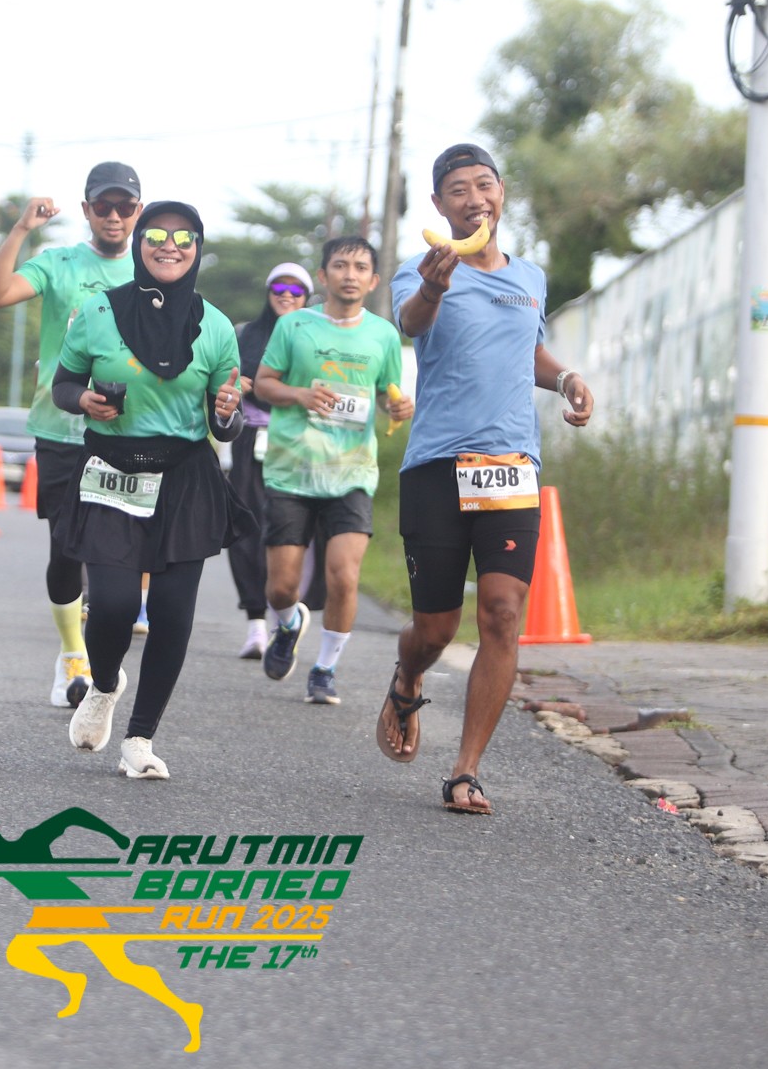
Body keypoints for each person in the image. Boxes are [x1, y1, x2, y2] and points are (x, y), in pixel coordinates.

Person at [384, 144, 593, 814]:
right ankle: (407, 676)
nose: (474, 199)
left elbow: (527, 348)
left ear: (502, 192)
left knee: (503, 614)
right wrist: (434, 287)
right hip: (437, 467)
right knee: (436, 630)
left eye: (484, 185)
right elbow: (411, 323)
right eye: (458, 189)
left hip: (511, 467)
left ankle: (465, 770)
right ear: (438, 204)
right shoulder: (420, 269)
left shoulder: (529, 276)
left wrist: (566, 377)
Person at [53, 202, 247, 780]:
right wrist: (83, 400)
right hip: (111, 468)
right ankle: (104, 684)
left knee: (171, 612)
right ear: (139, 243)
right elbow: (64, 383)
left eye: (184, 238)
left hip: (184, 478)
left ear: (197, 248)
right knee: (112, 604)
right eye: (157, 234)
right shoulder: (98, 312)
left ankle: (140, 739)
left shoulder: (216, 327)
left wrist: (227, 413)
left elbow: (224, 425)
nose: (170, 245)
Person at [0, 161, 141, 707]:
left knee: (115, 555)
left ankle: (98, 649)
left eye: (125, 206)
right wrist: (22, 229)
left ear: (138, 212)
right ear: (87, 209)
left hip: (129, 434)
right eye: (104, 206)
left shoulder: (150, 271)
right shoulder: (59, 262)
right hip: (61, 429)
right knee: (68, 550)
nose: (114, 216)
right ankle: (72, 653)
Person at [254, 237, 412, 704]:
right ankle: (288, 624)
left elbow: (386, 393)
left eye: (360, 267)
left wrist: (396, 406)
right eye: (340, 265)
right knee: (281, 587)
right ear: (323, 276)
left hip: (352, 473)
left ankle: (325, 668)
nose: (350, 274)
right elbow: (263, 384)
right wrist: (299, 394)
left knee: (344, 576)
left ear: (373, 280)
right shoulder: (294, 325)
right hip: (292, 468)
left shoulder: (384, 335)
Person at [224, 262, 311, 658]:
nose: (287, 295)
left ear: (307, 297)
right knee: (245, 528)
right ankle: (256, 624)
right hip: (250, 439)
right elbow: (224, 376)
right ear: (268, 291)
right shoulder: (245, 334)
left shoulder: (317, 335)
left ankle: (286, 614)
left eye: (296, 290)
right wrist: (236, 384)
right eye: (279, 287)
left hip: (300, 442)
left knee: (291, 528)